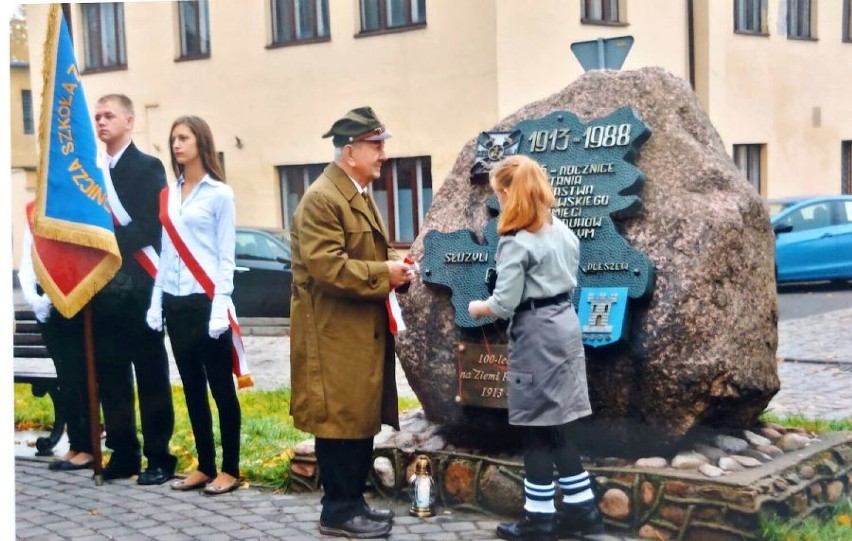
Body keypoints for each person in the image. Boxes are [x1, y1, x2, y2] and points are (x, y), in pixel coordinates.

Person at [289, 106, 414, 538]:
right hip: (332, 335)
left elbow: (362, 258)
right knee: (340, 422)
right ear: (349, 151)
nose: (383, 154)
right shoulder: (323, 199)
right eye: (375, 146)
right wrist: (385, 274)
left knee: (358, 418)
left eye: (382, 145)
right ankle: (338, 511)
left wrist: (395, 266)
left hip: (355, 330)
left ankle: (353, 503)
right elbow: (328, 267)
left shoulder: (355, 191)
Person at [467, 155, 603, 541]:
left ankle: (538, 520)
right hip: (564, 325)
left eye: (499, 193)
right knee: (559, 426)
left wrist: (478, 306)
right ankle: (585, 512)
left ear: (510, 191)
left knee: (536, 430)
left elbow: (503, 303)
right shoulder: (562, 230)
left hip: (536, 334)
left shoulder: (516, 241)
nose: (498, 200)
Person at [146, 115, 243, 496]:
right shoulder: (168, 195)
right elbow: (167, 254)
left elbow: (225, 256)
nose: (176, 145)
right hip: (175, 301)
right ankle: (205, 465)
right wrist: (156, 302)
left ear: (201, 142)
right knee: (191, 388)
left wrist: (221, 304)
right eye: (173, 139)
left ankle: (230, 468)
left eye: (183, 138)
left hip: (207, 302)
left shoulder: (220, 194)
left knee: (221, 389)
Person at [91, 93, 177, 485]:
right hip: (104, 288)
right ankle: (123, 452)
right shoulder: (90, 172)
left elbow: (150, 225)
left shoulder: (148, 166)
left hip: (142, 286)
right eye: (97, 117)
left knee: (151, 375)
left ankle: (159, 457)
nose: (101, 122)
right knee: (111, 375)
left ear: (129, 120)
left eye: (109, 115)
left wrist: (107, 243)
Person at [18, 205, 94, 471]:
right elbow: (29, 258)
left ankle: (88, 446)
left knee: (79, 375)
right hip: (45, 303)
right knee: (66, 375)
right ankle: (76, 444)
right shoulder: (33, 210)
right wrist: (33, 297)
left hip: (70, 294)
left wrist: (53, 294)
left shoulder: (69, 202)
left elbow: (73, 256)